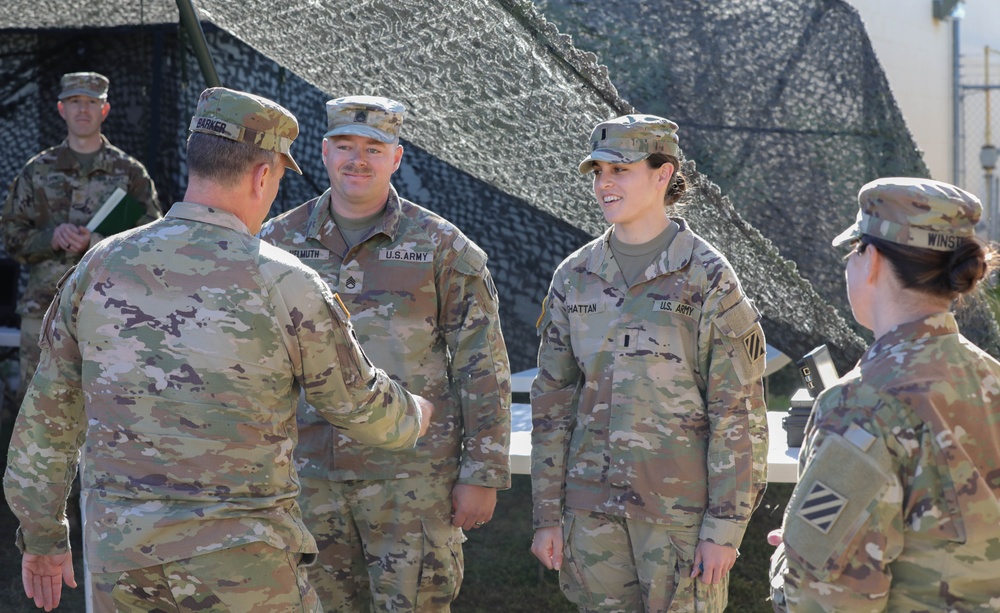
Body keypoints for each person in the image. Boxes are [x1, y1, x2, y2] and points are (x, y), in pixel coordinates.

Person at [3, 86, 433, 613]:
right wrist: (416, 412)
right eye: (277, 180)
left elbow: (45, 423)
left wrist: (43, 538)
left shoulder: (99, 266)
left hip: (122, 559)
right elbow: (361, 409)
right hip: (243, 567)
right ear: (261, 175)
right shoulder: (285, 281)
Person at [260, 95, 511, 612]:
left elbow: (482, 366)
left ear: (396, 158)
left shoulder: (442, 247)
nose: (358, 159)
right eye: (345, 146)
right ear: (324, 152)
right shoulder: (275, 243)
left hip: (411, 479)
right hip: (307, 478)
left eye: (374, 148)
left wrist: (482, 472)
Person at [530, 114, 768, 612]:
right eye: (597, 171)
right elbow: (552, 405)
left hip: (678, 516)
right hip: (591, 512)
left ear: (664, 174)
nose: (604, 183)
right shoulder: (574, 276)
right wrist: (547, 515)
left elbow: (738, 411)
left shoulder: (706, 276)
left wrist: (724, 528)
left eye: (620, 169)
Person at [768, 177, 1000, 611]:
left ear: (870, 259)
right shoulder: (991, 378)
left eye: (853, 250)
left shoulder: (860, 404)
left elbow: (824, 601)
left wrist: (789, 559)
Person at [1, 71, 162, 409]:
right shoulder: (36, 170)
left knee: (104, 408)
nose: (83, 110)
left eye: (92, 102)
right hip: (44, 309)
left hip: (110, 307)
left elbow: (153, 243)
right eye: (75, 102)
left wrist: (98, 241)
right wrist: (51, 238)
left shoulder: (131, 173)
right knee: (37, 407)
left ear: (105, 110)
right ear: (61, 109)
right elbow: (11, 236)